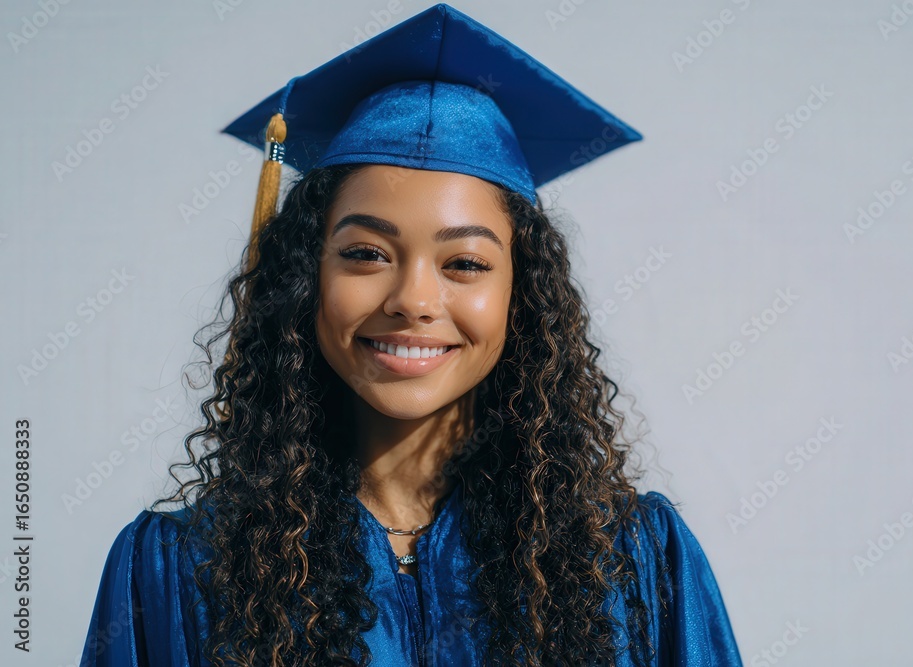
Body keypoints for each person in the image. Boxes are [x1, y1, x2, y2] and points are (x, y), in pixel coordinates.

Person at [80, 4, 743, 666]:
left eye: (465, 263)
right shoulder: (181, 568)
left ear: (524, 294)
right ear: (304, 274)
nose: (413, 300)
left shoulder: (630, 562)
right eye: (366, 254)